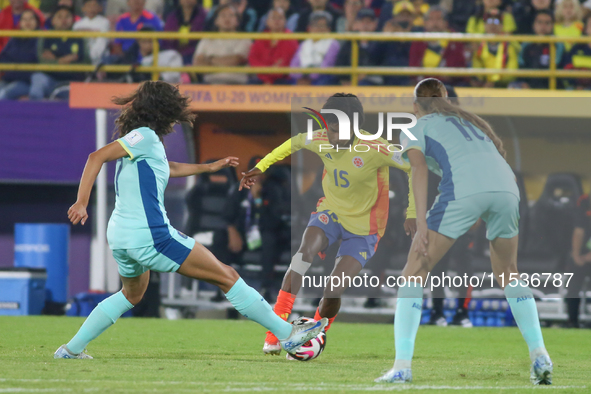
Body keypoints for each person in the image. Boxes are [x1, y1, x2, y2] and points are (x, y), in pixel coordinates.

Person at [54, 81, 327, 360]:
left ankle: (71, 350)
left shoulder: (144, 143)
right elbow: (96, 156)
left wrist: (208, 167)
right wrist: (82, 201)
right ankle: (288, 336)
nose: (176, 119)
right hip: (151, 235)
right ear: (164, 110)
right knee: (227, 276)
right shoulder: (145, 136)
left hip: (121, 236)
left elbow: (168, 167)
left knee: (131, 295)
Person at [375, 78, 552, 385]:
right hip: (508, 188)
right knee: (509, 272)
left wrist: (421, 223)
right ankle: (540, 354)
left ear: (416, 107)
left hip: (464, 190)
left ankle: (401, 366)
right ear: (447, 101)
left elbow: (418, 170)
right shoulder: (473, 125)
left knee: (413, 272)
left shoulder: (417, 127)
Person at [239, 93, 416, 358]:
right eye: (329, 128)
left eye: (337, 129)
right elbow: (292, 144)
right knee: (302, 256)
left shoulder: (376, 147)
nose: (331, 135)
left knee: (333, 288)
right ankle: (274, 333)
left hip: (364, 227)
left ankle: (315, 334)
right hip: (330, 212)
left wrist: (411, 211)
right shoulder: (320, 138)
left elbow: (414, 168)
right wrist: (261, 167)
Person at [31, 6, 88, 100]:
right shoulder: (46, 37)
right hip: (50, 79)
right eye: (59, 17)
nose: (64, 20)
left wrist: (55, 59)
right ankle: (35, 111)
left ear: (73, 20)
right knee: (38, 78)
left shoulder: (80, 37)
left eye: (67, 17)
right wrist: (63, 60)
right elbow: (42, 60)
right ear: (53, 20)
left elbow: (86, 61)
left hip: (73, 81)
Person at [192, 4, 252, 84]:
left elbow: (236, 60)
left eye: (231, 15)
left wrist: (210, 59)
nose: (227, 18)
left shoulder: (245, 40)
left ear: (237, 21)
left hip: (238, 85)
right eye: (223, 15)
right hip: (209, 85)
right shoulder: (206, 40)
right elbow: (198, 63)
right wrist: (226, 63)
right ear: (216, 21)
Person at [408, 6, 467, 86]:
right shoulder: (418, 40)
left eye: (439, 19)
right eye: (431, 19)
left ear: (446, 23)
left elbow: (460, 66)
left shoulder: (454, 39)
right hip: (423, 83)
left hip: (448, 84)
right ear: (425, 23)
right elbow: (413, 65)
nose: (435, 23)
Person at [515, 10, 565, 89]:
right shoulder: (526, 44)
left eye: (547, 23)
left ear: (552, 26)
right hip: (529, 87)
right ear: (534, 25)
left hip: (552, 87)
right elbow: (521, 66)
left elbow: (558, 66)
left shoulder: (558, 45)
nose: (543, 26)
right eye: (540, 22)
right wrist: (523, 83)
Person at [248, 7, 298, 85]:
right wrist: (266, 75)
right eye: (273, 18)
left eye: (280, 18)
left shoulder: (291, 38)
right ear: (267, 21)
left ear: (285, 21)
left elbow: (287, 62)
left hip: (283, 79)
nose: (277, 20)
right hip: (262, 78)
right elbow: (253, 58)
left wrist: (270, 77)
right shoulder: (261, 37)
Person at [289, 11, 340, 85]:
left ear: (328, 29)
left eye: (322, 26)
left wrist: (309, 77)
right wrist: (301, 77)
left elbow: (327, 65)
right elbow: (294, 65)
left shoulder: (333, 44)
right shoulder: (304, 44)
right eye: (315, 25)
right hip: (301, 79)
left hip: (322, 78)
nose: (318, 29)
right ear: (309, 28)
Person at [471, 11, 520, 88]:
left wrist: (495, 83)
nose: (492, 25)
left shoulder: (509, 46)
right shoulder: (479, 46)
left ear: (502, 26)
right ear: (484, 25)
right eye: (489, 21)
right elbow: (477, 66)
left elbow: (512, 71)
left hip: (503, 85)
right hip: (484, 84)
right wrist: (480, 80)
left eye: (496, 21)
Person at [564, 194, 591, 328]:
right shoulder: (584, 201)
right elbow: (578, 232)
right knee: (573, 284)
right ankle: (572, 321)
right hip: (582, 256)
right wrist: (576, 256)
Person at [0, 9, 39, 100]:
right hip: (8, 79)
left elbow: (31, 60)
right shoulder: (14, 38)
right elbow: (3, 58)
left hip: (27, 82)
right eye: (24, 19)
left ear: (37, 22)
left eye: (31, 19)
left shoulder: (42, 38)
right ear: (20, 23)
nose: (27, 22)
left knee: (3, 94)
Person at [334, 8, 380, 85]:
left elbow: (381, 65)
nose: (365, 25)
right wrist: (347, 80)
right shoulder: (349, 42)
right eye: (362, 21)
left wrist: (363, 75)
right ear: (355, 24)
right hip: (348, 82)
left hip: (371, 82)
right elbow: (339, 65)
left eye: (369, 22)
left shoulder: (380, 43)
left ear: (375, 24)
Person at [162, 0, 207, 65]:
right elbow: (167, 39)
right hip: (173, 54)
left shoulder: (203, 16)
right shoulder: (172, 16)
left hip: (194, 54)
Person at [73, 0, 110, 65]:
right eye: (89, 5)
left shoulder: (104, 22)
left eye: (94, 5)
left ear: (100, 8)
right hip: (81, 58)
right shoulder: (77, 24)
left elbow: (102, 42)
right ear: (83, 8)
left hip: (99, 58)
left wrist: (93, 56)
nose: (91, 8)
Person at [563, 14, 591, 89]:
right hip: (576, 87)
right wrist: (577, 84)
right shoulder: (577, 48)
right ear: (586, 29)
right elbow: (566, 69)